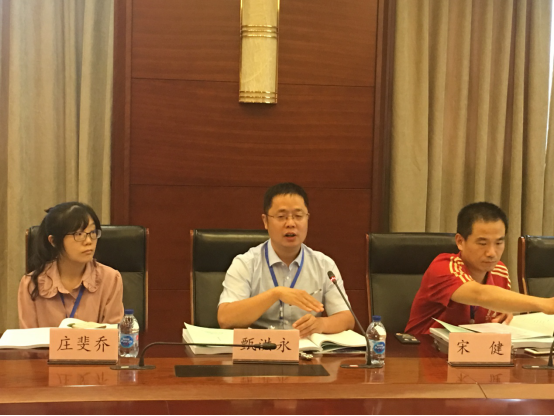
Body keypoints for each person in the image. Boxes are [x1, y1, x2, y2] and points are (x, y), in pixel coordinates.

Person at [218, 183, 355, 338]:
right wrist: (275, 294)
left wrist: (320, 324)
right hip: (259, 347)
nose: (290, 223)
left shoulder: (324, 265)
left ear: (307, 218)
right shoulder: (246, 263)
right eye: (281, 216)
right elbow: (225, 319)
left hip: (305, 348)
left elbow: (347, 318)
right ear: (265, 221)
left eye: (298, 216)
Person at [406, 202, 554, 335]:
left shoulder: (500, 270)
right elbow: (480, 294)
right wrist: (545, 304)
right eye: (482, 243)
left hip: (473, 350)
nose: (492, 253)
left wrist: (506, 310)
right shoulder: (443, 267)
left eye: (499, 243)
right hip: (422, 350)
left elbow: (496, 304)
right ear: (460, 241)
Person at [18, 202, 124, 329]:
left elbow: (112, 335)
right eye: (79, 234)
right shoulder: (30, 284)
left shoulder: (110, 279)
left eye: (92, 232)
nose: (89, 241)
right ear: (54, 241)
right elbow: (28, 338)